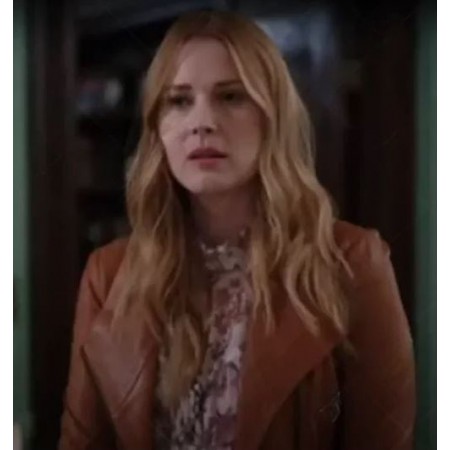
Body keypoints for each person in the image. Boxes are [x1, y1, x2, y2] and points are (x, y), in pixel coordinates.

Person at [59, 10, 415, 450]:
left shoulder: (353, 263)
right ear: (158, 129)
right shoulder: (108, 275)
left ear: (272, 118)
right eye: (179, 101)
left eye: (231, 97)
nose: (202, 122)